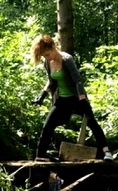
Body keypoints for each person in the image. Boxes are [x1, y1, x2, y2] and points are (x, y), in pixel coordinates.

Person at [30, 34, 113, 162]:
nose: (47, 58)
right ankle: (40, 156)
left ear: (53, 47)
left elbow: (77, 80)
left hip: (76, 98)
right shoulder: (48, 62)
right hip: (62, 100)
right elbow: (52, 81)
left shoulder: (66, 59)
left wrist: (82, 99)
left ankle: (107, 152)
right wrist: (43, 94)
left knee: (92, 122)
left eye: (47, 54)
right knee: (48, 126)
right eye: (44, 56)